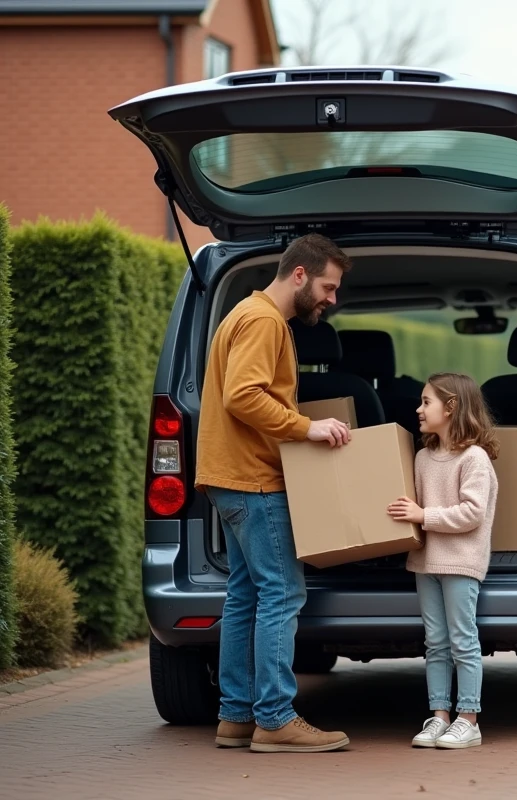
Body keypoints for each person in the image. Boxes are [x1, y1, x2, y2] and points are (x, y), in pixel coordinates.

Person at [197, 233, 354, 754]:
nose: (332, 299)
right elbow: (243, 395)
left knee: (245, 595)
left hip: (230, 478)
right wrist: (304, 428)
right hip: (256, 480)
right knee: (283, 594)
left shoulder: (247, 313)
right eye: (328, 287)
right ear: (301, 274)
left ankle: (236, 716)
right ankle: (275, 718)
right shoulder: (264, 321)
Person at [387, 372, 499, 750]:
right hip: (426, 564)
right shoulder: (421, 457)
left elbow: (472, 514)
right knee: (435, 642)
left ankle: (469, 719)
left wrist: (423, 515)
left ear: (451, 408)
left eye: (426, 402)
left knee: (463, 641)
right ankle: (439, 716)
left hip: (460, 564)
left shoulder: (474, 459)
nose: (418, 409)